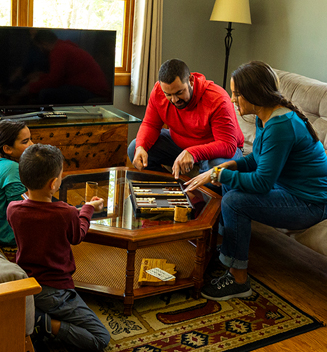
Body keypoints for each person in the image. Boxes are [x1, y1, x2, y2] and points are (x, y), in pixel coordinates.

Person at [185, 60, 327, 301]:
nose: (232, 99)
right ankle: (229, 253)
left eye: (236, 94)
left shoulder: (281, 126)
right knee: (230, 183)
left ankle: (238, 280)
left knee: (234, 201)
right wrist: (232, 166)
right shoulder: (267, 116)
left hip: (310, 203)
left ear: (254, 94)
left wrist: (218, 174)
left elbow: (262, 183)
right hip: (287, 189)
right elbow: (258, 161)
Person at [7, 144, 110, 352]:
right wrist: (88, 209)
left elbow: (39, 216)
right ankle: (44, 323)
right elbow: (77, 235)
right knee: (101, 338)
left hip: (27, 285)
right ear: (54, 184)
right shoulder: (66, 213)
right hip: (56, 291)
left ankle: (33, 313)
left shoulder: (13, 209)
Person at [128, 58, 244, 179]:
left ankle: (201, 196)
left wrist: (192, 152)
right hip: (180, 144)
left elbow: (227, 145)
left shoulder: (217, 98)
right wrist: (141, 146)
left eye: (179, 92)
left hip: (217, 149)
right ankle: (169, 188)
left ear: (191, 80)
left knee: (217, 168)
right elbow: (150, 125)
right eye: (168, 94)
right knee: (134, 148)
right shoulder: (158, 90)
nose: (174, 100)